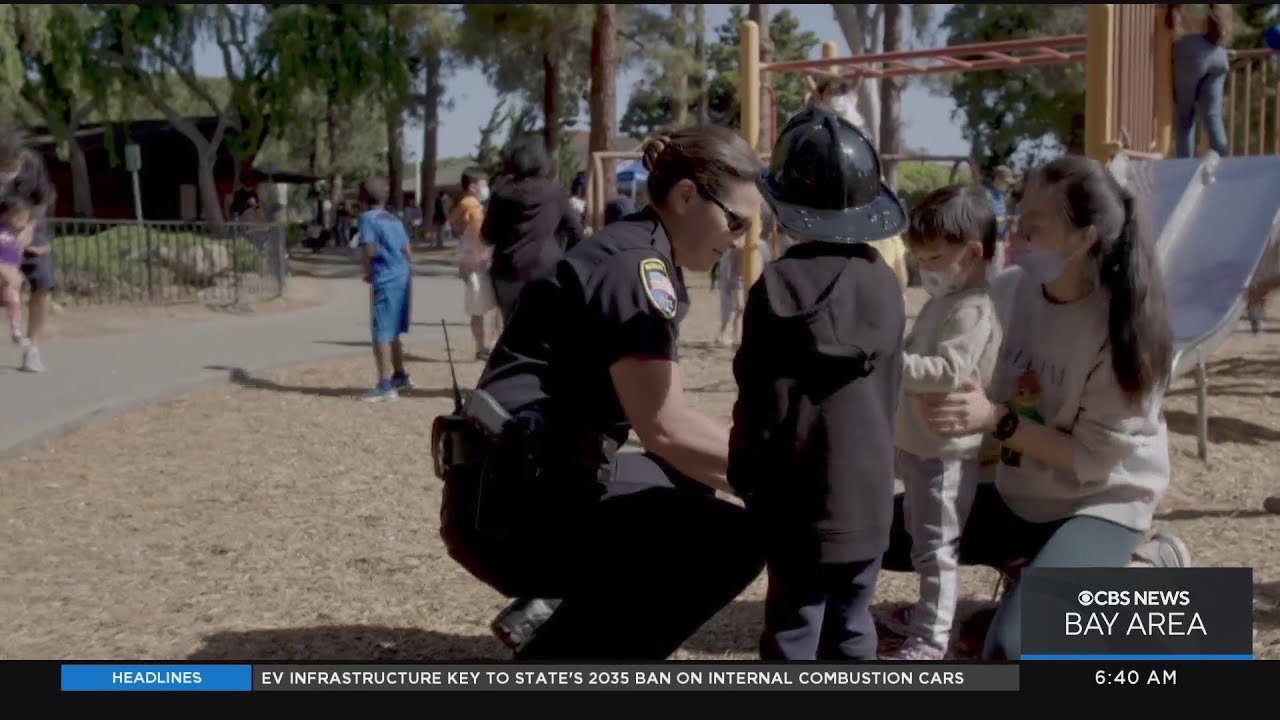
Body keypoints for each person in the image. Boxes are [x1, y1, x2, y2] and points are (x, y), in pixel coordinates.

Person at [435, 123, 767, 660]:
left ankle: (555, 621)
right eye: (735, 222)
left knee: (687, 482)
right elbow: (666, 427)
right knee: (739, 539)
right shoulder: (637, 269)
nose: (738, 240)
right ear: (686, 196)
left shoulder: (638, 248)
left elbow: (671, 428)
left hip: (513, 486)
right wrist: (780, 479)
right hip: (517, 510)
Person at [880, 154, 1192, 660]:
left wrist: (994, 421)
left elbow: (1090, 459)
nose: (1014, 235)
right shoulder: (1008, 291)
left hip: (1099, 503)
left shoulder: (1123, 331)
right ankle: (1033, 570)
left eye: (1032, 227)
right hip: (1019, 491)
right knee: (876, 531)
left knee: (1011, 651)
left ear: (1083, 238)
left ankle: (1147, 567)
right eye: (1016, 219)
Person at [728, 105, 906, 661]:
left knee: (792, 629)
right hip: (870, 495)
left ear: (784, 211)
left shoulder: (776, 290)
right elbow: (891, 393)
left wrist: (746, 475)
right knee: (854, 626)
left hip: (797, 504)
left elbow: (760, 404)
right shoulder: (885, 285)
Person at [878, 185, 1002, 661]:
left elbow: (949, 371)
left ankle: (931, 637)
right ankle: (930, 612)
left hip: (946, 453)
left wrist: (895, 365)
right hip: (920, 445)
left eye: (932, 259)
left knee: (936, 548)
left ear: (971, 254)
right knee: (920, 539)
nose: (923, 270)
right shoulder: (945, 302)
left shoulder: (973, 309)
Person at [481, 135, 587, 323]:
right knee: (545, 330)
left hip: (507, 273)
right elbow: (576, 232)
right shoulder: (554, 192)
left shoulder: (501, 191)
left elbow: (487, 236)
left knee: (512, 330)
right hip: (546, 271)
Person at [357, 176, 414, 401]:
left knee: (380, 330)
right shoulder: (393, 219)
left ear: (363, 197)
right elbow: (407, 249)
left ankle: (384, 384)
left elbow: (369, 250)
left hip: (385, 278)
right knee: (393, 330)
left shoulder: (367, 218)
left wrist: (369, 271)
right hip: (403, 275)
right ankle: (400, 376)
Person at [0, 149, 54, 363]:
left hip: (28, 222)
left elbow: (44, 197)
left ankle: (33, 349)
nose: (10, 171)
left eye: (14, 165)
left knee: (43, 281)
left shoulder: (30, 162)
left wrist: (29, 227)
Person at [1169, 4, 1232, 158]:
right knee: (1213, 115)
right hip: (1218, 53)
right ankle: (1224, 163)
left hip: (1190, 52)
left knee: (1185, 116)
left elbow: (1171, 24)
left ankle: (1184, 166)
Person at [452, 167, 499, 360]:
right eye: (484, 184)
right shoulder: (470, 203)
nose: (486, 188)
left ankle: (484, 346)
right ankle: (485, 346)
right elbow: (483, 233)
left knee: (480, 307)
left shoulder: (473, 205)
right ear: (472, 187)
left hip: (475, 261)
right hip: (475, 263)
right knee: (481, 305)